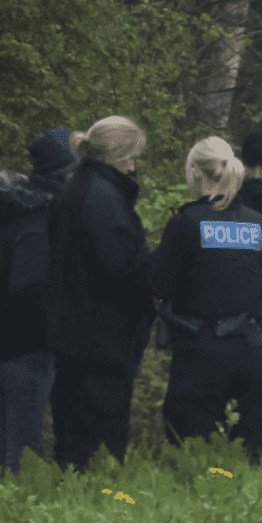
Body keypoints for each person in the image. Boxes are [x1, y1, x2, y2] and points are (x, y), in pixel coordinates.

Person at [150, 137, 262, 466]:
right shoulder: (259, 224)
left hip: (200, 355)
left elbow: (157, 283)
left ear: (193, 173)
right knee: (254, 456)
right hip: (253, 353)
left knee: (193, 458)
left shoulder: (186, 224)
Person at [45, 116, 155, 473]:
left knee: (72, 441)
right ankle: (100, 504)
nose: (135, 166)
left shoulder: (74, 191)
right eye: (133, 156)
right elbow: (122, 269)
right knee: (101, 443)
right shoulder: (105, 200)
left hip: (72, 334)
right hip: (104, 339)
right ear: (120, 155)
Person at [0, 128, 77, 475]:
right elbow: (31, 287)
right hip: (30, 346)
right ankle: (13, 516)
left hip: (11, 344)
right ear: (65, 171)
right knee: (22, 454)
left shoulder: (18, 211)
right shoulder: (39, 219)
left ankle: (0, 509)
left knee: (11, 447)